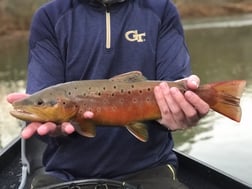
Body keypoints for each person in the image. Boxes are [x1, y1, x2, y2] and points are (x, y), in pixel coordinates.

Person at [7, 0, 210, 188]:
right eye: (41, 104)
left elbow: (174, 88)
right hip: (64, 172)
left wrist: (179, 113)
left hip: (151, 167)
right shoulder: (50, 17)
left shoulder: (161, 9)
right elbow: (44, 98)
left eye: (41, 105)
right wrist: (53, 126)